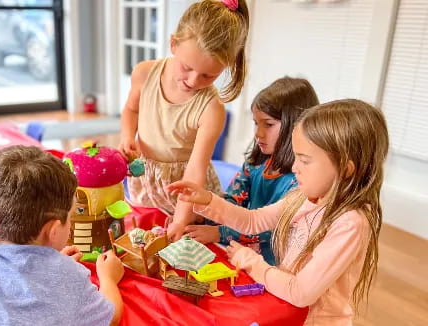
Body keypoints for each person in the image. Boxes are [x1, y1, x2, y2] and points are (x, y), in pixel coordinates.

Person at [167, 99, 389, 325]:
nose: (294, 168)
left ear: (345, 168)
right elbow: (253, 221)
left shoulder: (349, 224)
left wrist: (251, 261)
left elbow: (301, 292)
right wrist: (207, 199)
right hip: (286, 308)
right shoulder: (304, 198)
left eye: (304, 160)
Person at [0, 145, 124, 326]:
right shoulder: (69, 276)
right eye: (71, 216)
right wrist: (108, 279)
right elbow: (111, 316)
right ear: (53, 230)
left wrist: (49, 267)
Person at [118, 0, 250, 241]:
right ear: (173, 44)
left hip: (186, 191)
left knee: (182, 244)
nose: (192, 80)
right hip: (147, 178)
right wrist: (128, 136)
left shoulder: (211, 109)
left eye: (208, 76)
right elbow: (130, 109)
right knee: (142, 236)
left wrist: (180, 220)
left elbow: (195, 171)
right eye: (186, 67)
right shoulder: (144, 74)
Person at [185, 77, 319, 266]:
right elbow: (233, 201)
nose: (258, 133)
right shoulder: (255, 163)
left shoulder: (301, 182)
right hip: (238, 251)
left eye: (268, 124)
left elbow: (273, 229)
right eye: (256, 123)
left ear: (295, 125)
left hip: (272, 267)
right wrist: (203, 215)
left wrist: (219, 233)